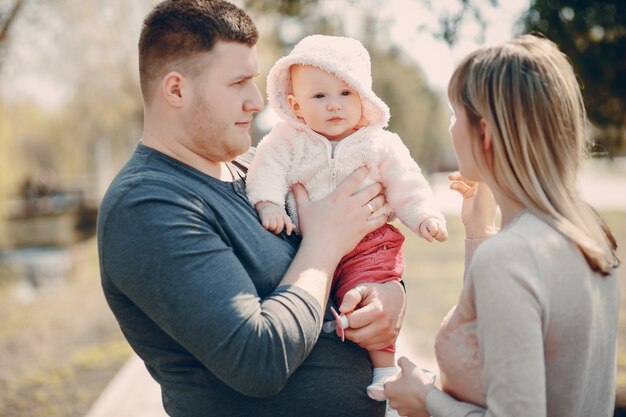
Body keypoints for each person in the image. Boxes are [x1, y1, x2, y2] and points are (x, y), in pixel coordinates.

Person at [96, 1, 406, 417]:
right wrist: (325, 245)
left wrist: (390, 297)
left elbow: (361, 241)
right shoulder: (146, 207)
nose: (256, 102)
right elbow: (258, 361)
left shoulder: (257, 168)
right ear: (176, 89)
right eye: (238, 83)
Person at [383, 34, 620, 417]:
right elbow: (494, 355)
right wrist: (479, 233)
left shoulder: (511, 258)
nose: (451, 129)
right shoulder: (590, 233)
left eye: (455, 115)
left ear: (486, 133)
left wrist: (425, 400)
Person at [245, 34, 446, 404]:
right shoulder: (287, 139)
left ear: (363, 97)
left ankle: (384, 366)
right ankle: (328, 327)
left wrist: (424, 217)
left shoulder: (378, 143)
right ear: (296, 105)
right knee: (318, 288)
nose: (334, 106)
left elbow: (407, 183)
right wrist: (269, 204)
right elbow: (265, 170)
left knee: (369, 289)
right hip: (305, 243)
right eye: (319, 97)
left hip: (370, 240)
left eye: (345, 93)